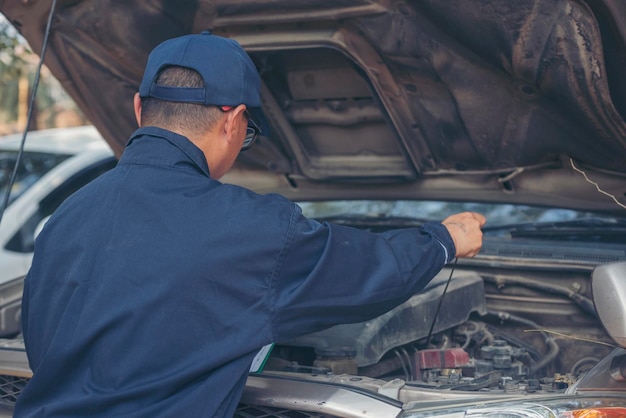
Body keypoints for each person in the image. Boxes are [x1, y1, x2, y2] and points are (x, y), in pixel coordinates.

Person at [14, 31, 485, 417]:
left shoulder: (65, 218)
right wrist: (445, 239)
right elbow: (367, 271)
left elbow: (44, 346)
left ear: (139, 109)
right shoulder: (248, 229)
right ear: (234, 121)